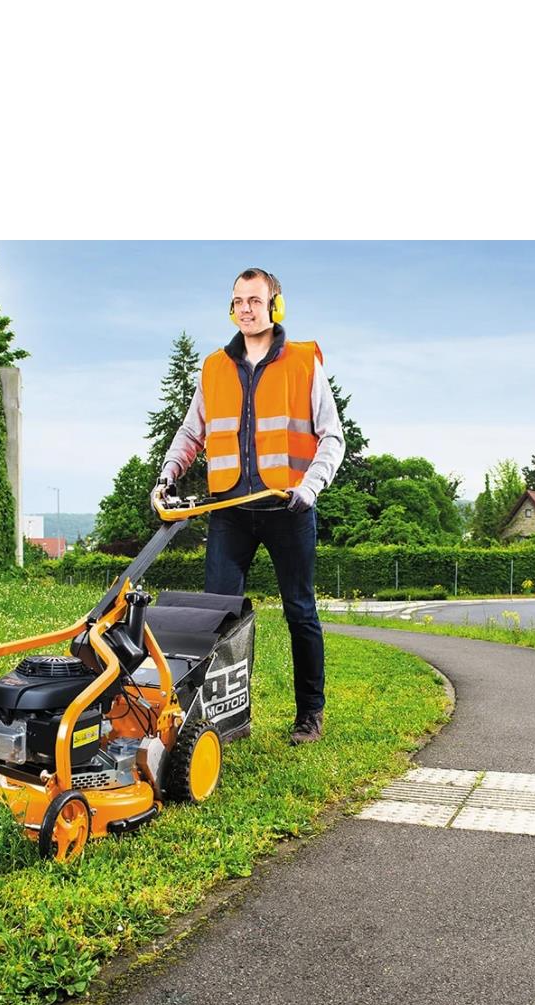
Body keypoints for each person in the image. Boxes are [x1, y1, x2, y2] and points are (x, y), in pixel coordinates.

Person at [154, 268, 345, 745]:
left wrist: (311, 487)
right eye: (238, 301)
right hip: (231, 510)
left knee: (300, 610)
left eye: (255, 300)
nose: (245, 309)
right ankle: (223, 719)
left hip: (288, 508)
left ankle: (310, 714)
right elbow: (192, 432)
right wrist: (168, 473)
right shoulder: (214, 367)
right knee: (217, 617)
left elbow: (332, 437)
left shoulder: (303, 362)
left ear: (275, 306)